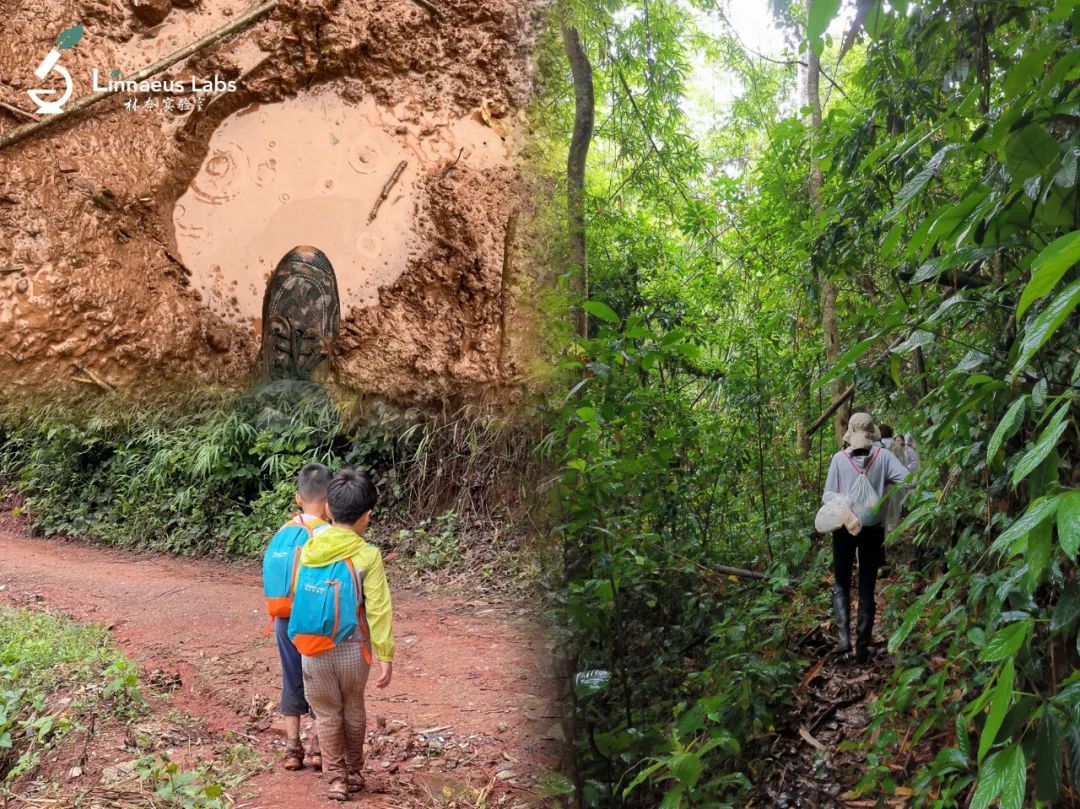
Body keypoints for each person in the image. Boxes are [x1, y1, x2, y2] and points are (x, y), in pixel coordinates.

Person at [296, 468, 395, 801]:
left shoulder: (309, 548)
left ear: (328, 510)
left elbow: (300, 596)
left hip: (313, 648)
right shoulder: (367, 555)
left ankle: (335, 779)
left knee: (326, 713)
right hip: (354, 651)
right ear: (367, 516)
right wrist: (385, 654)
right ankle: (353, 773)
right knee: (353, 707)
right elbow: (379, 609)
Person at [261, 463, 332, 772]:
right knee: (319, 679)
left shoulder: (284, 531)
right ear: (330, 500)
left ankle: (292, 748)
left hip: (283, 618)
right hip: (314, 621)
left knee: (291, 677)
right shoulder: (328, 533)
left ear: (298, 498)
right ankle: (317, 747)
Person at [823, 413, 908, 662]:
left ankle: (843, 640)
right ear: (872, 433)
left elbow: (828, 495)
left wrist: (847, 504)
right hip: (872, 529)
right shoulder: (884, 457)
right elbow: (907, 480)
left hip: (843, 528)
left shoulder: (839, 459)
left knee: (841, 581)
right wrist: (883, 486)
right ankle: (862, 647)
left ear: (850, 434)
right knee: (866, 587)